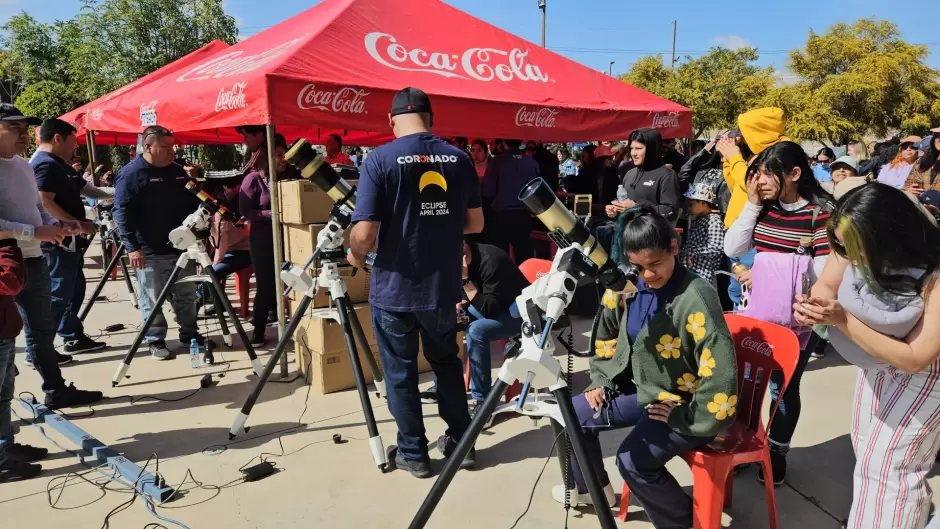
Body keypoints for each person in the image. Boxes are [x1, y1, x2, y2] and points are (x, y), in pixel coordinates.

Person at [552, 206, 737, 528]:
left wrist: (687, 416)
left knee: (633, 461)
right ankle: (593, 490)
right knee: (570, 414)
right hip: (641, 389)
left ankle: (686, 522)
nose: (648, 275)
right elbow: (606, 336)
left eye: (655, 264)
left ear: (674, 247)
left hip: (684, 401)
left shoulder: (696, 296)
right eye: (638, 265)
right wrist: (600, 379)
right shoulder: (627, 286)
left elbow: (721, 371)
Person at [347, 87, 484, 478]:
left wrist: (355, 256)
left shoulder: (380, 159)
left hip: (394, 290)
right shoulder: (458, 159)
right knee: (446, 364)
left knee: (400, 371)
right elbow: (475, 224)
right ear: (431, 118)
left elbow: (364, 233)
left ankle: (414, 454)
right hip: (442, 289)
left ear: (390, 121)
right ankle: (463, 443)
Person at [794, 184, 940, 529]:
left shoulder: (934, 273)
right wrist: (814, 306)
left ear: (887, 235)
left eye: (853, 248)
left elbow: (916, 357)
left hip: (925, 375)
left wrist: (842, 319)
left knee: (888, 463)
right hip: (874, 364)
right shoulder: (852, 237)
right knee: (868, 451)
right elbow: (827, 285)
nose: (847, 256)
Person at [724, 140, 835, 486]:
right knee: (747, 385)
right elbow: (733, 247)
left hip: (796, 325)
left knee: (783, 391)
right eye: (758, 174)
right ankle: (743, 446)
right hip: (757, 318)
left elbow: (823, 273)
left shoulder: (820, 214)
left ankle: (776, 453)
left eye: (770, 174)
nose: (762, 181)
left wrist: (768, 270)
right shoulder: (763, 209)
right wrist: (753, 204)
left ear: (795, 174)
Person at [113, 126, 208, 360]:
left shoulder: (178, 172)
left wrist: (199, 178)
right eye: (165, 146)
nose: (171, 151)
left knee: (186, 293)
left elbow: (196, 200)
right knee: (151, 298)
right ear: (148, 147)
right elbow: (121, 212)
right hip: (148, 250)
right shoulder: (131, 174)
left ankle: (190, 333)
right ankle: (155, 339)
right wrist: (132, 247)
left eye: (172, 146)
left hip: (181, 247)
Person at [31, 119, 109, 355]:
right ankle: (43, 349)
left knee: (74, 290)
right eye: (73, 140)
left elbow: (87, 190)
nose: (76, 146)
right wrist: (77, 225)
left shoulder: (61, 164)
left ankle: (72, 336)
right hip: (58, 241)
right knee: (59, 294)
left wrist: (121, 192)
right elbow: (44, 199)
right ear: (57, 138)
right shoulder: (44, 164)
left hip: (69, 240)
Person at [420, 241, 528, 410]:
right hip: (490, 306)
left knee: (476, 331)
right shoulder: (455, 261)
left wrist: (464, 280)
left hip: (518, 314)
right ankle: (443, 385)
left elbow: (489, 310)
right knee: (445, 320)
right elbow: (468, 296)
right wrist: (459, 304)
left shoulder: (492, 260)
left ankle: (483, 403)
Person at [0, 233, 50, 482]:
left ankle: (5, 448)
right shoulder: (5, 251)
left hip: (5, 332)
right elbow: (10, 283)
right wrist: (9, 248)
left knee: (3, 397)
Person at [239, 134, 292, 346]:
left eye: (284, 155)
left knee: (291, 282)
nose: (282, 159)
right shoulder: (253, 179)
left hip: (289, 238)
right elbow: (245, 211)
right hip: (262, 240)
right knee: (266, 285)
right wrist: (274, 214)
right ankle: (258, 331)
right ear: (266, 157)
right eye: (277, 155)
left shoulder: (291, 176)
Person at [715, 107, 788, 228]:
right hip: (738, 226)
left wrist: (734, 157)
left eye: (744, 131)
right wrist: (727, 158)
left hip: (756, 228)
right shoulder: (757, 154)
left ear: (758, 131)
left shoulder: (781, 151)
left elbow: (754, 185)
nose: (741, 137)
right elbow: (736, 187)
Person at [482, 139, 540, 262]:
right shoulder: (532, 163)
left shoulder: (497, 162)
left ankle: (504, 280)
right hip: (524, 215)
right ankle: (525, 280)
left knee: (500, 256)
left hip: (501, 215)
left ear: (504, 143)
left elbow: (488, 191)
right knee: (524, 256)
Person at [606, 128, 681, 223]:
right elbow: (627, 207)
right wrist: (616, 210)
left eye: (638, 148)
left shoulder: (667, 175)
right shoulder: (630, 174)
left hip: (653, 235)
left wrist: (638, 207)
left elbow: (670, 212)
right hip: (628, 234)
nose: (633, 153)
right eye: (632, 148)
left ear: (651, 149)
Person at [678, 182, 725, 286]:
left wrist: (691, 251)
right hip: (691, 272)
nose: (689, 208)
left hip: (703, 274)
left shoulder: (713, 221)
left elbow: (717, 248)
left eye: (691, 204)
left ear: (703, 202)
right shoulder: (698, 220)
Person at [678, 139, 731, 216]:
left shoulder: (733, 168)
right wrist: (704, 151)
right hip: (695, 216)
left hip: (718, 218)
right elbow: (683, 174)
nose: (722, 144)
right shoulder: (704, 166)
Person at [903, 128, 940, 195]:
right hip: (918, 204)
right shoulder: (921, 161)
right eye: (937, 135)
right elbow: (907, 184)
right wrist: (908, 190)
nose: (939, 139)